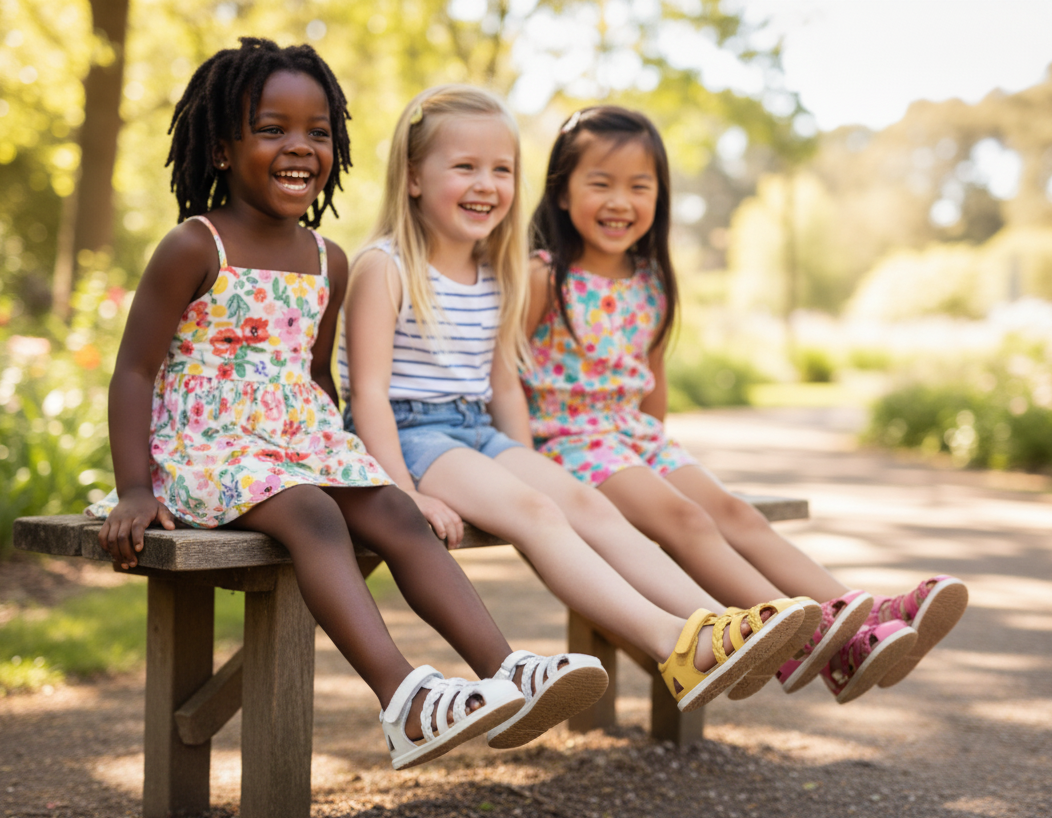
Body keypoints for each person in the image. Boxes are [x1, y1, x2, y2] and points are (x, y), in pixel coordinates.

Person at [86, 39, 608, 770]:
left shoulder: (328, 259)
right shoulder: (193, 245)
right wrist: (134, 489)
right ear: (221, 148)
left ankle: (508, 671)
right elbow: (134, 371)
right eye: (272, 129)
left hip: (298, 442)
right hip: (210, 449)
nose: (300, 147)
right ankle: (404, 700)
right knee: (313, 511)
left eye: (319, 132)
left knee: (392, 508)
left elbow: (318, 382)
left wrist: (368, 469)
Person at [340, 84, 812, 717]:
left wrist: (529, 461)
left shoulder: (496, 268)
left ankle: (714, 627)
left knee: (583, 502)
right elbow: (366, 396)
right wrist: (404, 494)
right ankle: (671, 642)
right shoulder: (384, 266)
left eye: (502, 170)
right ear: (413, 177)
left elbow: (503, 384)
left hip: (480, 432)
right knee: (536, 511)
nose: (486, 184)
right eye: (465, 167)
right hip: (413, 435)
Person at [521, 105, 968, 704]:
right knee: (688, 521)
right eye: (599, 183)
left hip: (633, 440)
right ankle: (803, 641)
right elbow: (503, 374)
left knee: (735, 513)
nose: (619, 201)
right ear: (562, 191)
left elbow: (651, 389)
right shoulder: (542, 276)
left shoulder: (649, 278)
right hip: (567, 441)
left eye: (639, 186)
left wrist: (659, 467)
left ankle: (857, 625)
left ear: (661, 195)